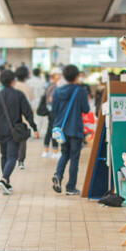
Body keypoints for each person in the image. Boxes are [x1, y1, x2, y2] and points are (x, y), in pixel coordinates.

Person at [0, 70, 38, 194]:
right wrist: (34, 127)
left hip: (0, 131)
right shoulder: (19, 95)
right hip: (14, 131)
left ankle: (7, 183)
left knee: (4, 156)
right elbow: (27, 113)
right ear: (13, 81)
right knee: (12, 157)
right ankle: (4, 179)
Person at [51, 65, 90, 195]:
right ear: (77, 76)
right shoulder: (80, 91)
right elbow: (86, 109)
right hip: (75, 129)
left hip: (61, 129)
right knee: (74, 158)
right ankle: (71, 187)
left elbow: (54, 109)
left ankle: (58, 175)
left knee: (64, 154)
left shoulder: (57, 91)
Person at [14, 66, 34, 169]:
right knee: (22, 139)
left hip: (12, 116)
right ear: (26, 76)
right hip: (24, 117)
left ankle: (12, 158)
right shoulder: (28, 87)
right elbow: (31, 99)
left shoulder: (13, 85)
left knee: (12, 137)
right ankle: (21, 161)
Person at [42, 68, 62, 159]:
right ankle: (55, 151)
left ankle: (46, 150)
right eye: (58, 74)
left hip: (50, 111)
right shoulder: (54, 86)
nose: (60, 76)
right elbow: (51, 99)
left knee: (50, 129)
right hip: (53, 111)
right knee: (54, 129)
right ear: (54, 75)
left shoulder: (50, 85)